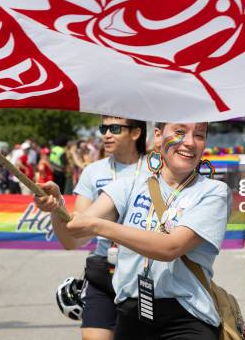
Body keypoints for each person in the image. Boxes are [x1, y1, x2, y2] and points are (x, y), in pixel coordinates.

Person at [35, 122, 231, 340]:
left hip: (187, 317)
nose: (190, 142)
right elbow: (72, 240)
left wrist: (100, 226)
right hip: (132, 315)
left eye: (200, 135)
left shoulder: (213, 192)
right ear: (158, 136)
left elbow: (171, 247)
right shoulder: (128, 186)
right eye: (179, 132)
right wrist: (56, 207)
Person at [64, 116, 148, 340]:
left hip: (143, 272)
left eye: (114, 128)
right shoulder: (92, 171)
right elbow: (75, 235)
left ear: (136, 132)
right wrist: (55, 209)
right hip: (103, 268)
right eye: (103, 128)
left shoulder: (156, 169)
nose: (106, 134)